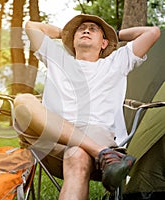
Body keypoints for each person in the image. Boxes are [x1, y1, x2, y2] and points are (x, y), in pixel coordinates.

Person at [13, 14, 161, 200]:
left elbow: (152, 32)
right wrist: (64, 32)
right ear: (72, 42)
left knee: (77, 156)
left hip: (95, 133)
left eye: (94, 29)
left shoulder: (116, 62)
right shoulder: (57, 58)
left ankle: (97, 151)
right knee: (22, 100)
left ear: (104, 43)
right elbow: (31, 26)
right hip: (53, 140)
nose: (86, 30)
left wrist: (115, 35)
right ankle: (104, 154)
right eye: (81, 29)